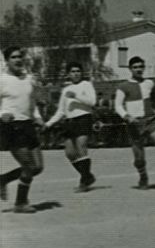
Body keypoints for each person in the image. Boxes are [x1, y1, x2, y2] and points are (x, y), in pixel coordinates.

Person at [115, 56, 155, 190]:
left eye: (141, 67)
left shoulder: (150, 84)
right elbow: (117, 106)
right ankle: (143, 176)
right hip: (134, 125)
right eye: (135, 67)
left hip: (151, 121)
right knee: (139, 159)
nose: (138, 69)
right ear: (130, 69)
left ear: (144, 67)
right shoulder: (123, 86)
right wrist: (126, 116)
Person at [0, 46, 45, 213]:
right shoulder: (2, 79)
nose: (18, 60)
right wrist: (2, 113)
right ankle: (21, 202)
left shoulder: (28, 79)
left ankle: (3, 179)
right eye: (13, 57)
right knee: (27, 166)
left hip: (28, 125)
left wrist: (38, 117)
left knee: (37, 167)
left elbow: (31, 103)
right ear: (7, 61)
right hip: (12, 127)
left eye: (20, 57)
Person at [44, 63, 98, 192]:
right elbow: (61, 111)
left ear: (82, 72)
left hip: (84, 118)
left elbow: (92, 102)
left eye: (78, 71)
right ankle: (88, 175)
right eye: (73, 71)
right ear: (68, 74)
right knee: (69, 153)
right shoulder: (65, 90)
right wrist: (48, 124)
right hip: (70, 122)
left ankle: (84, 182)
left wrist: (76, 96)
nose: (76, 73)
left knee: (81, 148)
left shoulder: (86, 85)